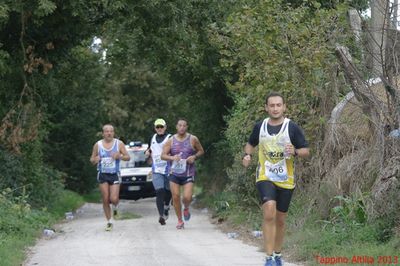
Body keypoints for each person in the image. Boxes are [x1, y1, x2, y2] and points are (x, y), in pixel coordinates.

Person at [242, 92, 309, 266]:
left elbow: (305, 151)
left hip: (286, 179)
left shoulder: (291, 127)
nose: (275, 108)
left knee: (280, 219)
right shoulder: (260, 126)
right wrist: (247, 155)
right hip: (265, 175)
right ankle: (269, 257)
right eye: (271, 105)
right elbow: (250, 144)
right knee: (269, 210)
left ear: (284, 107)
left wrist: (294, 151)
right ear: (266, 108)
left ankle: (278, 254)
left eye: (278, 105)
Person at [161, 118, 204, 229]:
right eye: (180, 125)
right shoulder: (171, 140)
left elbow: (201, 151)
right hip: (174, 173)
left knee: (187, 197)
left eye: (184, 125)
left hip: (188, 173)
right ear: (176, 127)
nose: (182, 128)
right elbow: (163, 155)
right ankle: (180, 220)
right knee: (175, 196)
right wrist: (172, 157)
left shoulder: (193, 139)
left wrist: (194, 156)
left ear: (187, 127)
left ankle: (186, 207)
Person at [90, 124, 130, 231]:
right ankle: (109, 222)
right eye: (106, 131)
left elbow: (128, 157)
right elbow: (92, 160)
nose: (109, 133)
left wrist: (119, 156)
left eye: (111, 131)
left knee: (114, 198)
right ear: (103, 133)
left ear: (113, 133)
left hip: (114, 174)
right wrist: (96, 159)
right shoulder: (98, 145)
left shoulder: (119, 144)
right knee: (106, 199)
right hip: (102, 174)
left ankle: (115, 208)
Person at [145, 118, 172, 225]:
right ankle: (161, 216)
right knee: (159, 191)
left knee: (168, 191)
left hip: (168, 169)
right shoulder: (151, 138)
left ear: (165, 127)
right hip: (156, 170)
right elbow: (149, 149)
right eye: (157, 127)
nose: (160, 129)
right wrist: (147, 152)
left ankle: (166, 207)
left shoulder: (170, 138)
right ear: (155, 128)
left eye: (161, 127)